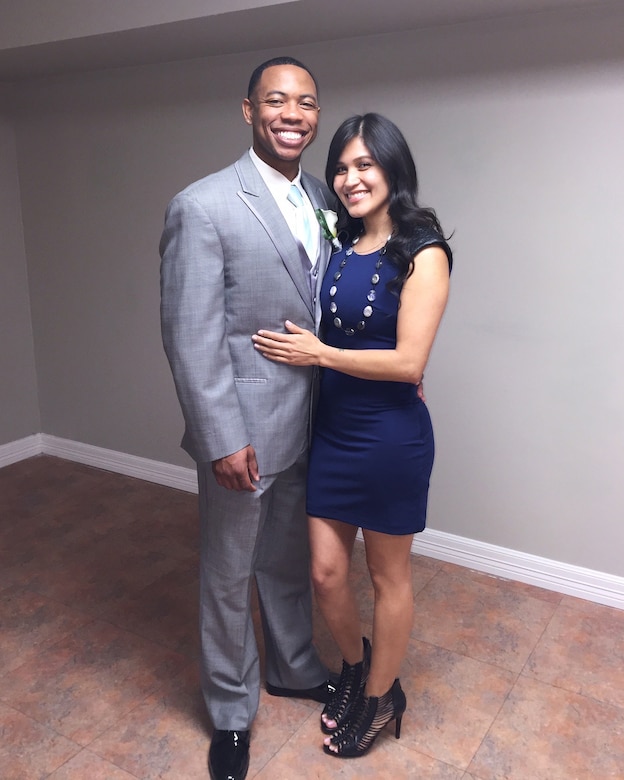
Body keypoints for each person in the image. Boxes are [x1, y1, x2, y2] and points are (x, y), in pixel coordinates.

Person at [253, 113, 452, 758]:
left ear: (392, 168)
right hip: (334, 434)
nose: (349, 178)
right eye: (340, 167)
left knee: (388, 577)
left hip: (391, 440)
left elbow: (408, 362)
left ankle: (379, 695)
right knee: (326, 572)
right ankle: (355, 668)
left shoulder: (424, 251)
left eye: (364, 164)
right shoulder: (338, 242)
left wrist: (319, 355)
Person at [159, 56, 337, 780]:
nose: (292, 114)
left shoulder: (325, 194)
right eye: (276, 101)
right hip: (244, 432)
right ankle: (231, 712)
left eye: (305, 102)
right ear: (248, 111)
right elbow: (189, 334)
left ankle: (293, 667)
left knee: (288, 561)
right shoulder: (203, 205)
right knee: (230, 576)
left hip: (311, 425)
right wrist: (220, 438)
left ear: (317, 114)